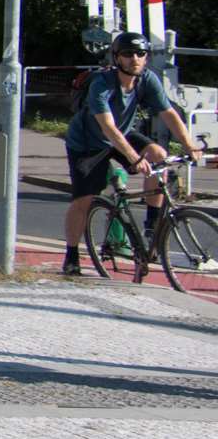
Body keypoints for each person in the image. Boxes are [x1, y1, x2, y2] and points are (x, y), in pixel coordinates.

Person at [60, 31, 206, 275]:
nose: (135, 59)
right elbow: (107, 127)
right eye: (128, 54)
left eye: (140, 53)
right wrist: (134, 157)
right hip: (88, 143)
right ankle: (71, 256)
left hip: (123, 133)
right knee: (83, 200)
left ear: (146, 57)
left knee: (159, 156)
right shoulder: (102, 84)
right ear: (117, 57)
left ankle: (152, 223)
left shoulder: (147, 79)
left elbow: (169, 114)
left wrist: (189, 145)